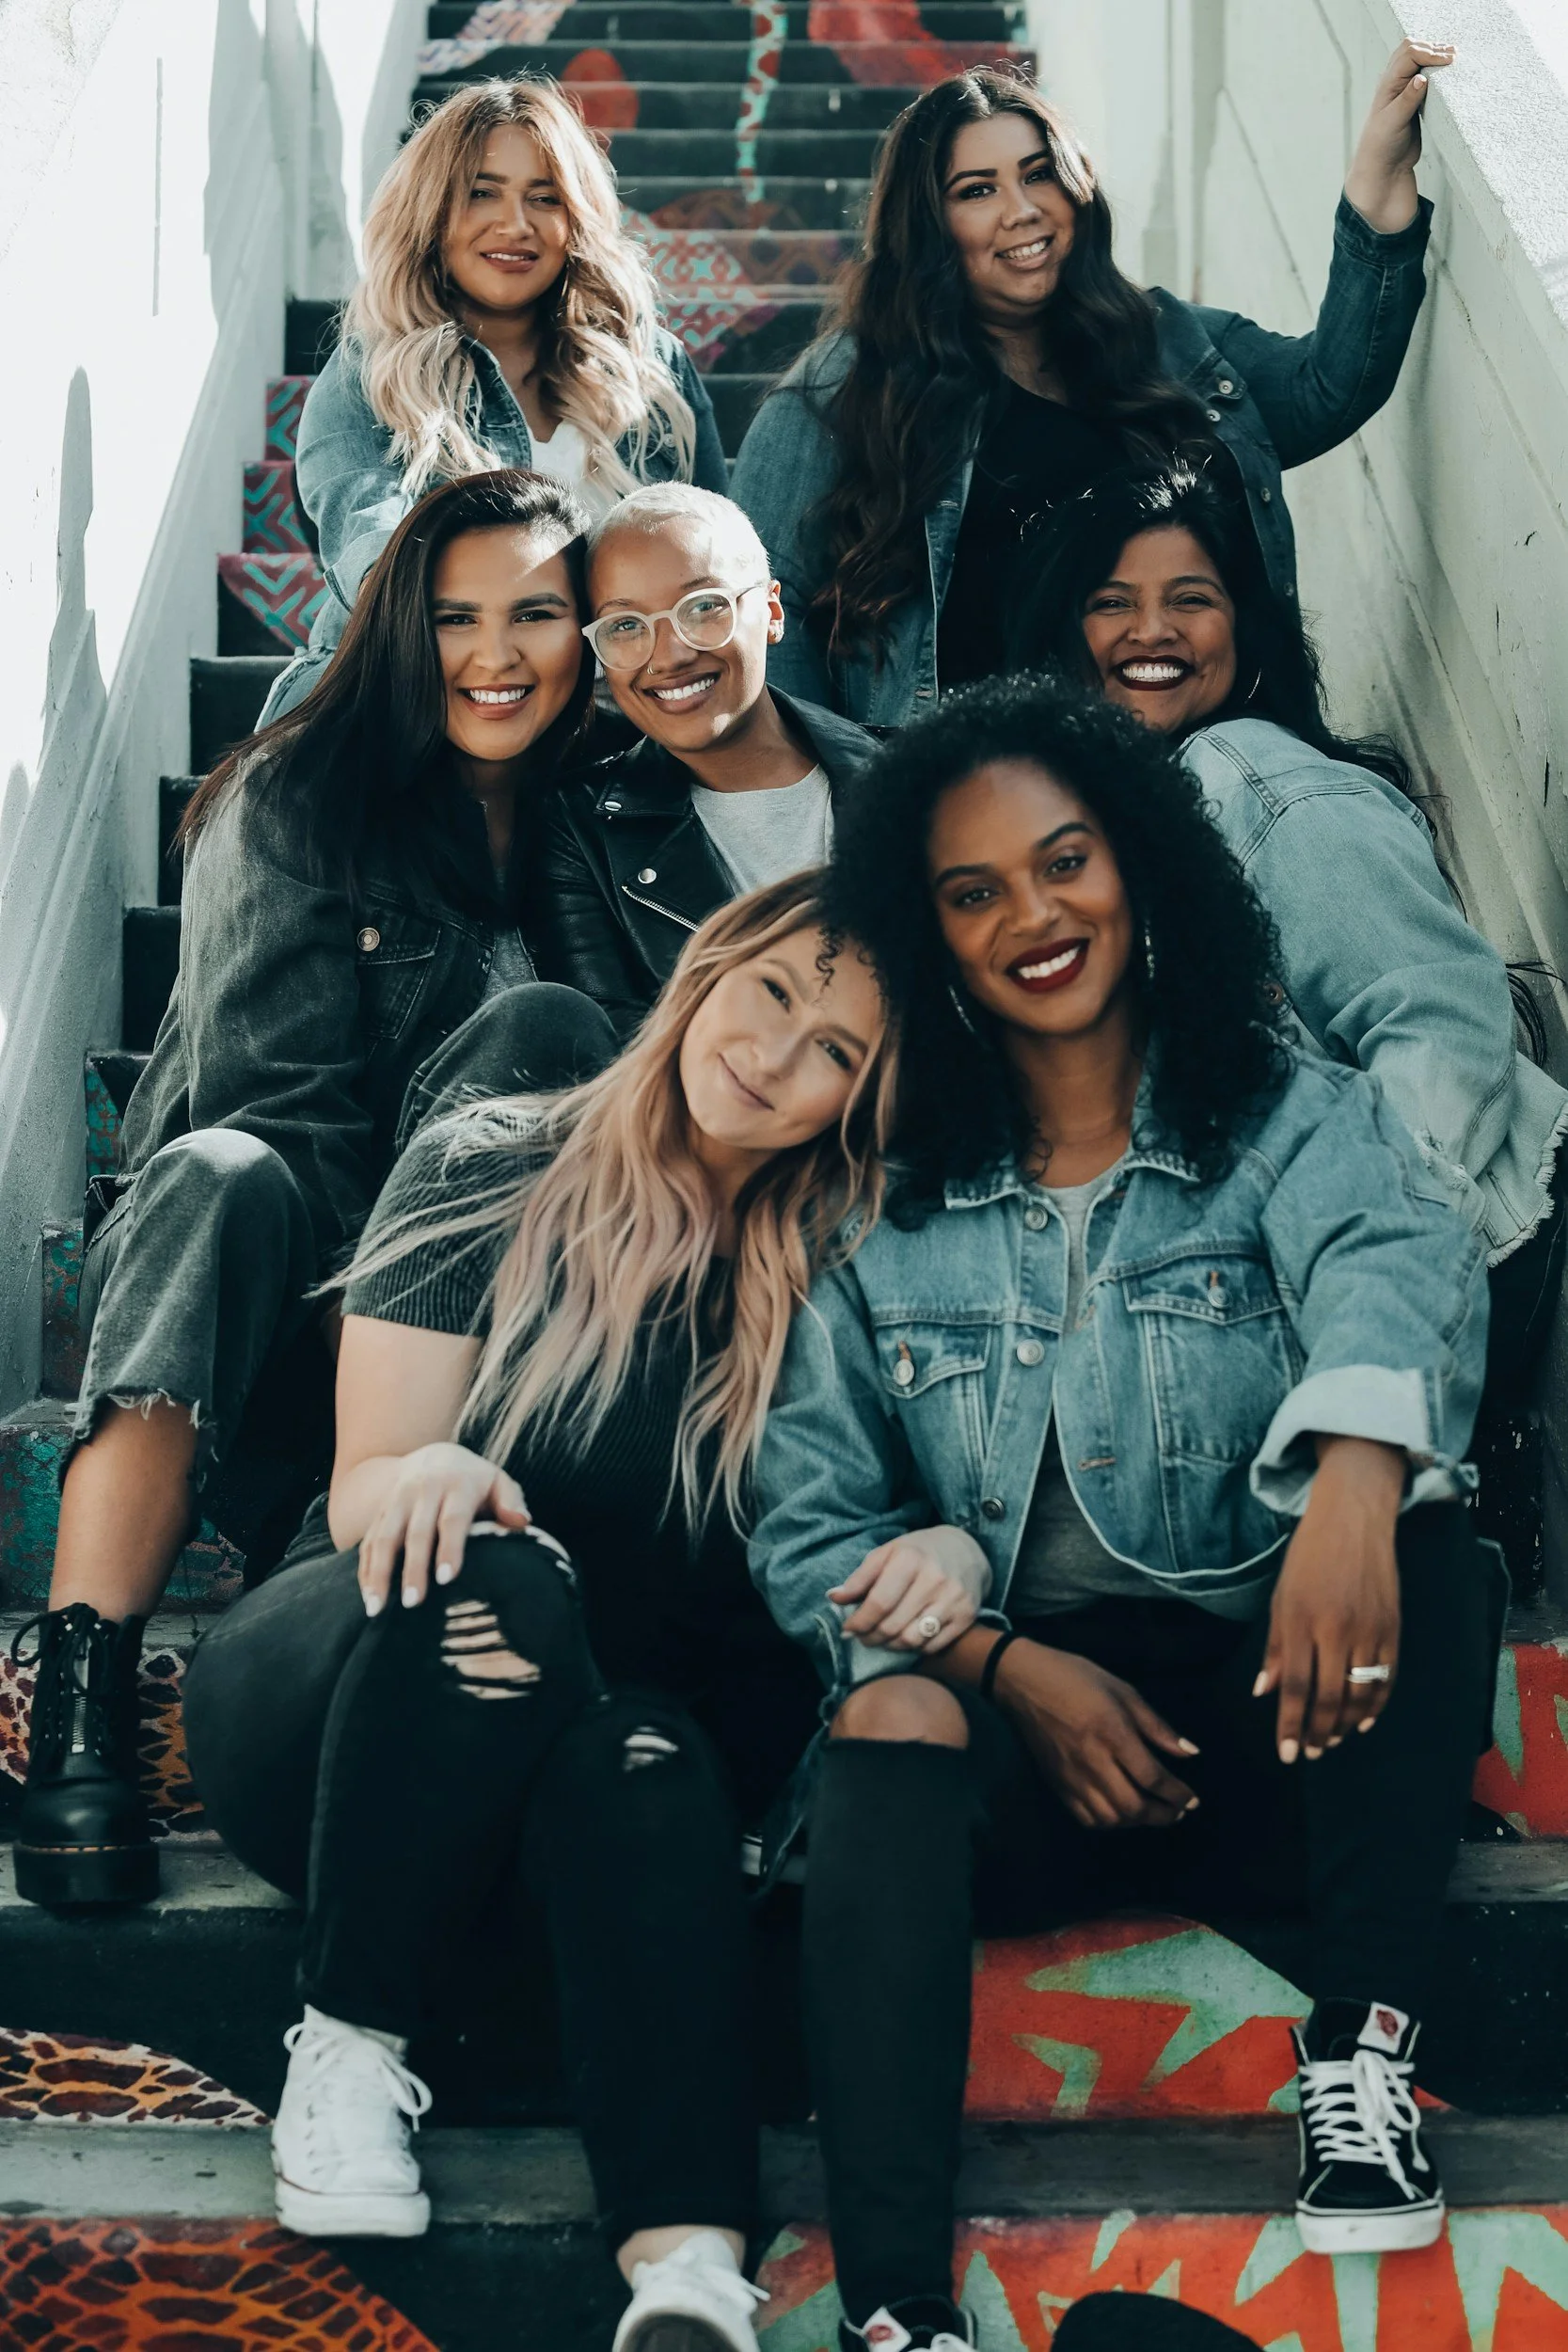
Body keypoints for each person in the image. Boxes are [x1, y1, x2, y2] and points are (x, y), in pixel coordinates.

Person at [751, 678, 1497, 2349]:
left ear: (1140, 867)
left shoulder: (1290, 1117)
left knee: (1438, 1554)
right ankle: (894, 2310)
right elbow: (808, 1531)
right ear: (923, 938)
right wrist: (1011, 1668)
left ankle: (1360, 2059)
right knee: (878, 1724)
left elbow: (1398, 1270)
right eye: (971, 894)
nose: (1032, 915)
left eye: (1064, 861)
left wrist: (1358, 1484)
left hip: (1283, 1711)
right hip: (1036, 1752)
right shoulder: (873, 1209)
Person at [180, 877, 949, 2352]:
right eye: (775, 993)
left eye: (838, 1052)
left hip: (580, 1801)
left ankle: (685, 2277)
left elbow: (858, 1536)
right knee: (502, 1564)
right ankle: (344, 2049)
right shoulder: (492, 1159)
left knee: (650, 1752)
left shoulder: (835, 1268)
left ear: (863, 1103)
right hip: (348, 1698)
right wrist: (438, 1468)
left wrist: (956, 1565)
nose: (777, 1056)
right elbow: (363, 1484)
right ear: (711, 963)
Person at [13, 470, 614, 1912]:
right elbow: (257, 1116)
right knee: (215, 1177)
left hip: (494, 1339)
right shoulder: (296, 796)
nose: (495, 654)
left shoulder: (603, 821)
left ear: (589, 634)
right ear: (401, 627)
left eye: (537, 613)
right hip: (287, 1308)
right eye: (456, 616)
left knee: (549, 1038)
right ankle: (84, 1696)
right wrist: (384, 1339)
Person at [1016, 460, 1568, 1472]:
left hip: (1415, 1265)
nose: (1152, 630)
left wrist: (1354, 1281)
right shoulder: (1112, 831)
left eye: (1192, 598)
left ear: (1243, 632)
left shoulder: (1248, 779)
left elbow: (1437, 1023)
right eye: (1112, 603)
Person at [728, 41, 1452, 723]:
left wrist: (1374, 190)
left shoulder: (1167, 340)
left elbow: (1324, 390)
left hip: (1200, 766)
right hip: (986, 803)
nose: (1023, 209)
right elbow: (765, 607)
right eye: (977, 190)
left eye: (1038, 172)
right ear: (928, 226)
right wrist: (827, 796)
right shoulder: (844, 390)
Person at [261, 75, 727, 723]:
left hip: (615, 723)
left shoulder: (648, 368)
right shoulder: (373, 374)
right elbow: (376, 562)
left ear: (576, 220)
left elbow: (715, 558)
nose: (515, 225)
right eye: (482, 192)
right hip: (422, 709)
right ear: (432, 209)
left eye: (545, 197)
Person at [531, 484, 875, 1034]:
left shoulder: (919, 773)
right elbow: (624, 1065)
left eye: (704, 607)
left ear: (771, 610)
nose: (669, 655)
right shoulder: (579, 834)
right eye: (625, 626)